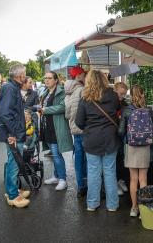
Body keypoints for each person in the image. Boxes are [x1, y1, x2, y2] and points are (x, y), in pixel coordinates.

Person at [75, 70, 120, 212]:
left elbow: (79, 122)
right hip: (110, 139)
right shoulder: (113, 96)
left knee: (93, 172)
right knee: (110, 172)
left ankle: (92, 204)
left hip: (92, 139)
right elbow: (118, 111)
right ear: (103, 80)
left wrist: (90, 127)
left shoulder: (85, 98)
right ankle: (112, 205)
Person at [118, 85, 153, 217]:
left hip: (131, 146)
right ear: (143, 94)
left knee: (133, 179)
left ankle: (134, 208)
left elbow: (121, 131)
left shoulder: (126, 110)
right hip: (145, 147)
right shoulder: (149, 110)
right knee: (143, 179)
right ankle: (144, 210)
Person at [0, 64, 30, 208]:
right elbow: (5, 113)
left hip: (13, 132)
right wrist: (12, 134)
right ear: (19, 76)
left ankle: (12, 190)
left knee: (13, 163)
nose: (25, 76)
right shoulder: (10, 88)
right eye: (24, 74)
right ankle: (13, 195)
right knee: (14, 164)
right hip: (13, 134)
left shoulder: (11, 87)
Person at [40, 71, 73, 191]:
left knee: (56, 154)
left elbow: (63, 107)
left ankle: (63, 179)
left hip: (57, 127)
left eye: (49, 78)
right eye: (45, 78)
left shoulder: (61, 92)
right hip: (47, 127)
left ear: (55, 80)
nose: (46, 80)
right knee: (55, 154)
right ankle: (56, 176)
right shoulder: (45, 92)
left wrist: (45, 109)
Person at [64, 66, 87, 198]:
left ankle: (80, 186)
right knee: (88, 159)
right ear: (78, 76)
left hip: (74, 128)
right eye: (83, 74)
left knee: (78, 158)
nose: (85, 77)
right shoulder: (82, 90)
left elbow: (67, 114)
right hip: (84, 128)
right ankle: (88, 184)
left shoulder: (68, 92)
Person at [113, 82, 129, 196]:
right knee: (114, 160)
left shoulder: (124, 103)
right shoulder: (110, 103)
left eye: (124, 94)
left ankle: (120, 180)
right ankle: (114, 183)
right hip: (112, 135)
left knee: (121, 159)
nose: (122, 96)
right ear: (115, 90)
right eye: (121, 93)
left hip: (121, 135)